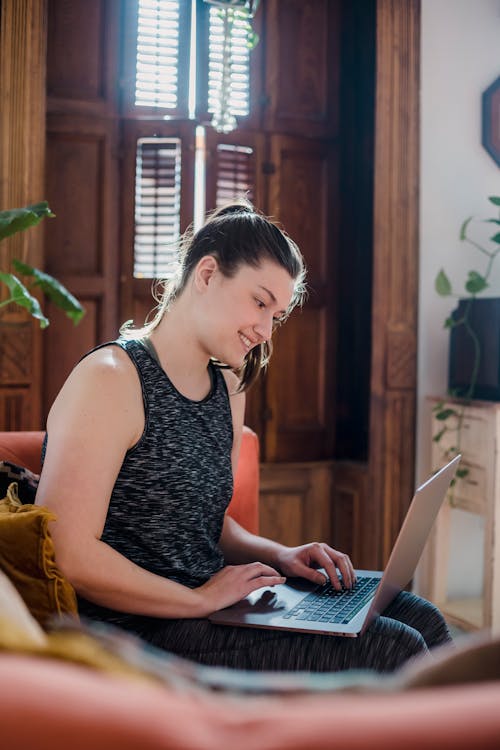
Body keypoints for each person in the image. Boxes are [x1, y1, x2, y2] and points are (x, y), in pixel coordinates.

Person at [36, 200, 451, 673]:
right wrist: (197, 599)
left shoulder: (228, 386)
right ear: (208, 274)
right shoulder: (111, 378)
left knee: (426, 621)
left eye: (276, 314)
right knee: (394, 648)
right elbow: (68, 552)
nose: (265, 331)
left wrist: (281, 555)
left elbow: (205, 523)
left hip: (214, 606)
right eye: (260, 302)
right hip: (140, 630)